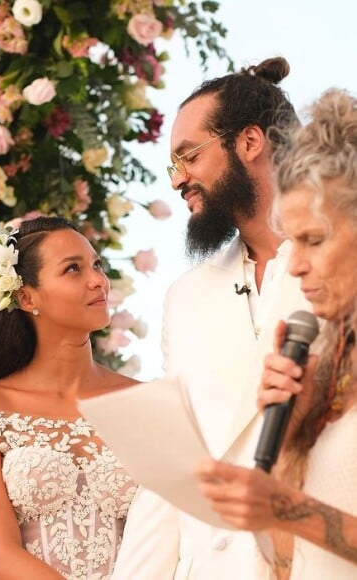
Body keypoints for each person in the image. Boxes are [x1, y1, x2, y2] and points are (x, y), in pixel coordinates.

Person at [112, 57, 312, 580]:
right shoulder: (185, 297)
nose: (179, 179)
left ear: (249, 142)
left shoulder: (343, 259)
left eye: (189, 156)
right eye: (172, 164)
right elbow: (171, 472)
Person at [197, 88, 357, 579]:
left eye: (314, 240)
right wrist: (292, 431)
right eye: (293, 241)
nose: (298, 266)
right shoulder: (326, 364)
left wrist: (286, 507)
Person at [0, 216, 140, 579]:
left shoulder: (142, 402)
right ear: (26, 297)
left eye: (97, 265)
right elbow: (1, 558)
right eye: (73, 269)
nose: (97, 281)